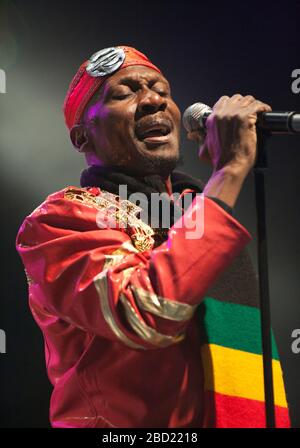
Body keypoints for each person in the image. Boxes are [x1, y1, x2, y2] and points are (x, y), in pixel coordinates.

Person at [16, 46, 290, 428]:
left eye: (160, 89)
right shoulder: (58, 222)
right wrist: (228, 173)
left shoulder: (192, 209)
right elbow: (145, 313)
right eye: (124, 93)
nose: (152, 100)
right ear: (82, 138)